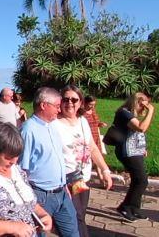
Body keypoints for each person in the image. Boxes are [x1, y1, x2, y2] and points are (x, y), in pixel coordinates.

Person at [18, 87, 79, 237]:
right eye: (57, 106)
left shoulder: (52, 126)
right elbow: (20, 169)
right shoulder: (28, 130)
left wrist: (64, 186)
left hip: (61, 193)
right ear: (44, 105)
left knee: (73, 233)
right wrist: (28, 199)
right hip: (40, 195)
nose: (59, 110)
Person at [55, 85, 113, 237]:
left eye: (74, 99)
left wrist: (105, 170)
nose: (70, 103)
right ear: (60, 102)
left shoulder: (82, 121)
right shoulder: (54, 124)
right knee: (77, 217)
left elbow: (92, 148)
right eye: (66, 99)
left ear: (80, 102)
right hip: (66, 180)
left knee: (80, 215)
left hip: (83, 178)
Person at [112, 93, 155, 222]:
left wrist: (142, 148)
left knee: (139, 180)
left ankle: (134, 208)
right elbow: (141, 128)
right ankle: (125, 207)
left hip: (135, 151)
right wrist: (151, 111)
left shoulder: (130, 114)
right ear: (136, 102)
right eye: (143, 105)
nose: (144, 108)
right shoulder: (124, 113)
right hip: (127, 152)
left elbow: (137, 134)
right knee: (141, 180)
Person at [83, 95, 108, 181]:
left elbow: (96, 122)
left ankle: (102, 179)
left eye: (94, 104)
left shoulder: (93, 111)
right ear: (85, 103)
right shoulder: (82, 113)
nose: (92, 106)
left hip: (96, 135)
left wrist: (100, 124)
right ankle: (99, 179)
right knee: (89, 158)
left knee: (98, 157)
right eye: (90, 104)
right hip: (88, 137)